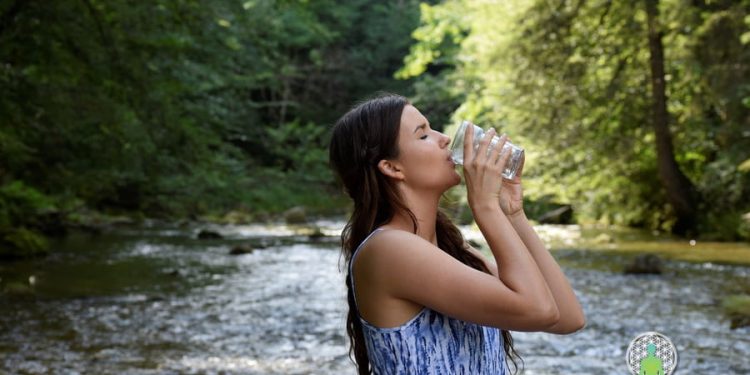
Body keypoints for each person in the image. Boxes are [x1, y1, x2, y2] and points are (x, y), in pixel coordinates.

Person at [328, 93, 585, 375]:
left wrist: (512, 213)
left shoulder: (452, 251)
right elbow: (539, 310)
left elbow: (566, 317)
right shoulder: (388, 249)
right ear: (392, 168)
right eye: (423, 135)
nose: (444, 139)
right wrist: (485, 206)